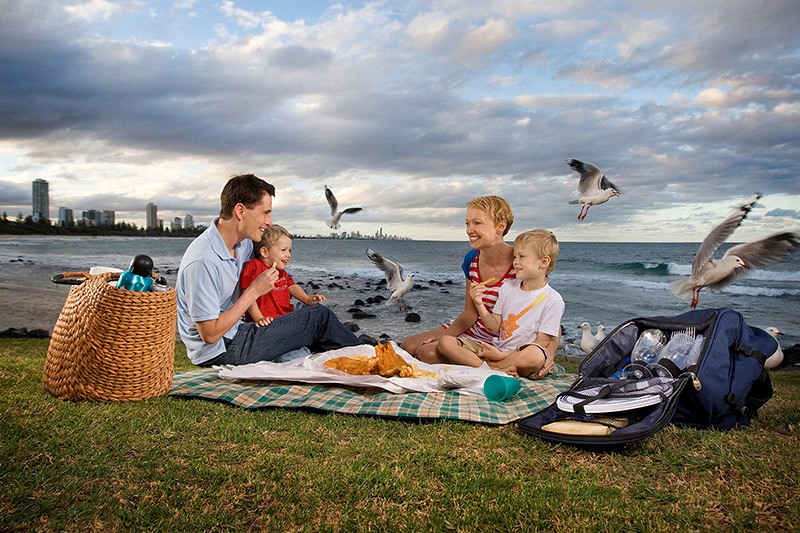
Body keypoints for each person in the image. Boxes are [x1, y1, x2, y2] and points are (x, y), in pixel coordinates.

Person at [175, 174, 361, 367]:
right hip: (222, 349)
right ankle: (371, 358)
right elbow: (210, 334)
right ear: (240, 211)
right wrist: (254, 291)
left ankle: (353, 361)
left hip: (238, 331)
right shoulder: (203, 261)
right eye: (265, 213)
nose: (269, 221)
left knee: (308, 310)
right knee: (318, 318)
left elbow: (268, 256)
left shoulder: (243, 243)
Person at [401, 196, 536, 363]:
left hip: (497, 341)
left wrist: (548, 353)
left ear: (501, 226)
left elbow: (546, 301)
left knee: (427, 353)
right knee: (407, 347)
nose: (469, 230)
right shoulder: (471, 259)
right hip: (473, 329)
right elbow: (470, 313)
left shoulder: (521, 261)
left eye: (477, 223)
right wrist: (445, 336)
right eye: (467, 223)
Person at [437, 229, 565, 378]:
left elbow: (542, 343)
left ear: (544, 262)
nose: (515, 262)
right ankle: (494, 370)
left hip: (518, 356)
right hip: (494, 349)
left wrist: (502, 356)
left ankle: (489, 368)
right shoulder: (508, 286)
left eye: (521, 257)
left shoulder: (553, 300)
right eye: (515, 256)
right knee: (445, 342)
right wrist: (479, 304)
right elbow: (493, 326)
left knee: (534, 355)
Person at [240, 224, 326, 326]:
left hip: (286, 317)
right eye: (283, 250)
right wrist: (259, 318)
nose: (288, 255)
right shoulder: (255, 266)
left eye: (289, 250)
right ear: (264, 252)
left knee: (318, 310)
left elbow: (292, 286)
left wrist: (307, 300)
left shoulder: (281, 272)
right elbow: (247, 294)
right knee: (322, 314)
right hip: (269, 322)